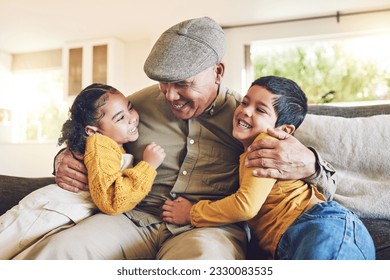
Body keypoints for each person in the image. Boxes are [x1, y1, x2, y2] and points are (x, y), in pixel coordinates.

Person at [14, 17, 336, 260]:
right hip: (132, 220)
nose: (170, 95)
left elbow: (321, 183)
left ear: (218, 72)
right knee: (60, 252)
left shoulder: (247, 121)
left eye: (182, 83)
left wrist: (311, 164)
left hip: (208, 231)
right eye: (163, 83)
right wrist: (64, 156)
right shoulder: (134, 106)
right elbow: (91, 133)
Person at [161, 75, 375, 260]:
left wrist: (192, 213)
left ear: (284, 130)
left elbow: (245, 206)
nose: (246, 111)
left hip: (320, 226)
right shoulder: (248, 150)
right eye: (245, 103)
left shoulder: (265, 146)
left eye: (260, 110)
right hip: (295, 238)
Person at [0, 83, 165, 259]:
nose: (131, 118)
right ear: (92, 131)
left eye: (130, 108)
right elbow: (112, 200)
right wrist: (148, 166)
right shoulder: (100, 145)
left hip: (63, 213)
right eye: (120, 118)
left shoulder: (114, 145)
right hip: (47, 211)